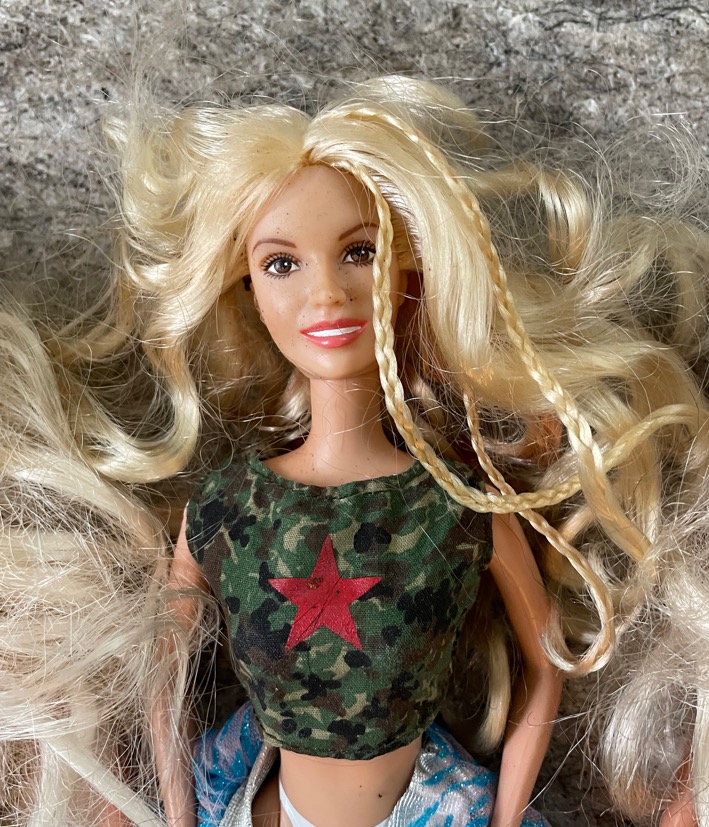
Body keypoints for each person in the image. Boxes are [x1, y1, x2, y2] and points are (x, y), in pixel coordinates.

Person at [2, 76, 708, 826]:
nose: (327, 293)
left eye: (359, 251)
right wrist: (179, 815)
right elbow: (162, 679)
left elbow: (547, 665)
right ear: (247, 288)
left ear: (406, 271)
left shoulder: (457, 503)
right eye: (282, 263)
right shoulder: (226, 508)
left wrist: (502, 819)